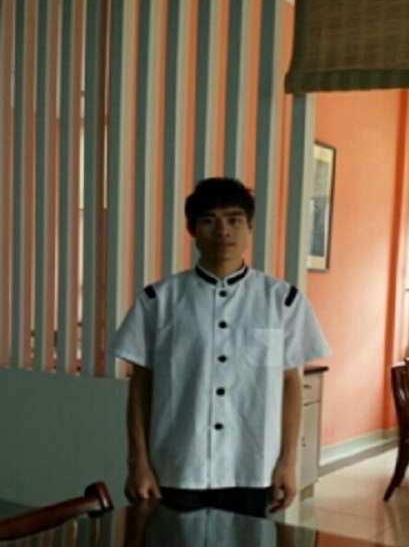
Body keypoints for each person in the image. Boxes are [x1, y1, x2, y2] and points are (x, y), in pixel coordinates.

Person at [108, 177, 330, 517]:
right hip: (178, 466)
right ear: (192, 229)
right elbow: (141, 385)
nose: (222, 230)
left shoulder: (282, 301)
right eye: (209, 220)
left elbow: (290, 383)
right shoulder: (159, 301)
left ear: (250, 227)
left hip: (253, 467)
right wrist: (138, 462)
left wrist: (287, 462)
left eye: (234, 219)